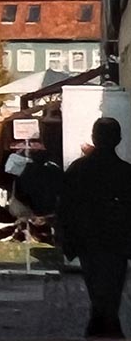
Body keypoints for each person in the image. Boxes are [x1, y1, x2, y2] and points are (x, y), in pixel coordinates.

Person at [60, 117, 131, 339]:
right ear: (118, 139)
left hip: (88, 239)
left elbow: (65, 207)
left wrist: (67, 239)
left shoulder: (78, 169)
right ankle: (107, 325)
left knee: (96, 285)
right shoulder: (125, 172)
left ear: (94, 138)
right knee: (113, 286)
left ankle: (102, 325)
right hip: (117, 240)